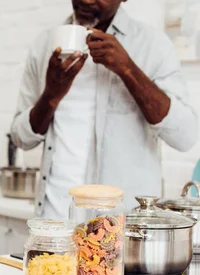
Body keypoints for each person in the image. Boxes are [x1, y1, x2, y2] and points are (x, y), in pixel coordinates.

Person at [11, 0, 198, 219]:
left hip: (121, 232)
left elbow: (185, 136)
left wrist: (127, 69)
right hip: (55, 223)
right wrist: (51, 96)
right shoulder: (45, 45)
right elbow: (21, 138)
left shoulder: (153, 45)